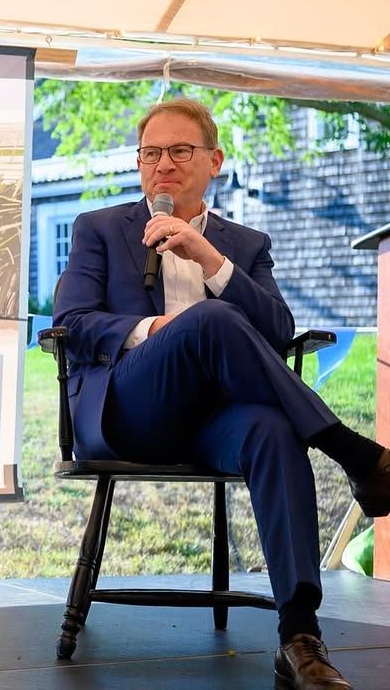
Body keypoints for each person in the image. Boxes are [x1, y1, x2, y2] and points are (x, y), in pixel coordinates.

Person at [53, 98, 390, 690]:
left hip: (218, 423)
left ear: (214, 160)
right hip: (132, 409)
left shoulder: (246, 243)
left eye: (180, 151)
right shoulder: (101, 229)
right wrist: (156, 331)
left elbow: (278, 333)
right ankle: (355, 454)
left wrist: (207, 257)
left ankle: (299, 637)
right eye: (151, 153)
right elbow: (72, 321)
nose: (163, 165)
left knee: (273, 429)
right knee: (209, 321)